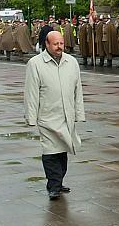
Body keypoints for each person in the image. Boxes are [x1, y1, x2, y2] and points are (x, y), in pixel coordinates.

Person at [24, 31, 86, 200]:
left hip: (66, 114)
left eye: (61, 44)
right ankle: (53, 186)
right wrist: (31, 117)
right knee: (50, 151)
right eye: (55, 44)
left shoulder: (71, 62)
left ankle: (58, 182)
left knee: (63, 150)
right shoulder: (35, 64)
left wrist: (79, 113)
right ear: (47, 44)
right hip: (47, 116)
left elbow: (77, 90)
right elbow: (31, 93)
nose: (59, 47)